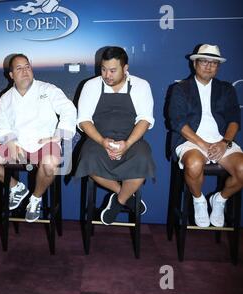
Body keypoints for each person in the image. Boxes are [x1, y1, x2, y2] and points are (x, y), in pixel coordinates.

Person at [0, 53, 76, 223]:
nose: (24, 71)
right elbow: (2, 127)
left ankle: (35, 198)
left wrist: (57, 135)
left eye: (27, 66)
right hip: (17, 145)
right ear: (11, 75)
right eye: (19, 68)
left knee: (50, 162)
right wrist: (11, 142)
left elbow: (69, 110)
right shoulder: (5, 98)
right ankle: (16, 187)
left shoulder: (48, 89)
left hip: (44, 143)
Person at [75, 46, 155, 225]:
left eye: (112, 70)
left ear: (125, 68)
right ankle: (126, 195)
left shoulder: (141, 85)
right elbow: (84, 120)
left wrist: (127, 143)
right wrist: (103, 141)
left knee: (142, 158)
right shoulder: (91, 86)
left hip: (132, 140)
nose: (107, 75)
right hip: (98, 139)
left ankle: (118, 202)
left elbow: (145, 119)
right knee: (88, 159)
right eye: (103, 69)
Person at [168, 44, 242, 228]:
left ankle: (220, 200)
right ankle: (199, 199)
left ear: (218, 66)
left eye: (214, 63)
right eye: (204, 61)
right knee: (193, 164)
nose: (209, 66)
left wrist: (225, 142)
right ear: (195, 64)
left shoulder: (226, 89)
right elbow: (177, 122)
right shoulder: (181, 88)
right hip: (190, 141)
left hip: (222, 142)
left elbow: (234, 119)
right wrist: (204, 145)